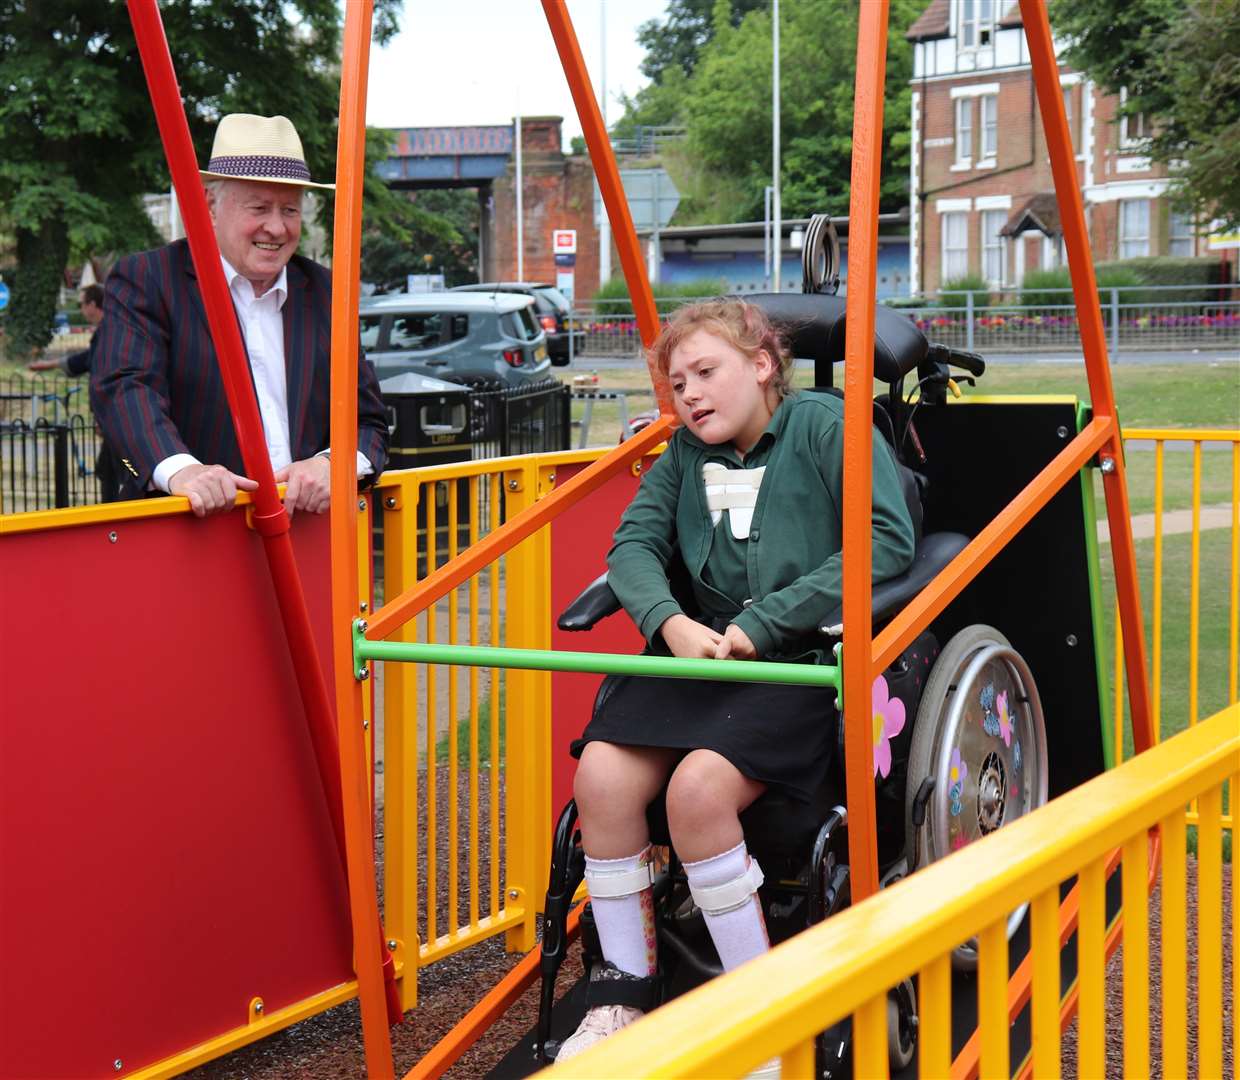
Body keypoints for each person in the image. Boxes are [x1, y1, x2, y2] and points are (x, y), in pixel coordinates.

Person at [556, 299, 917, 1067]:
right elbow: (632, 547)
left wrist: (769, 622)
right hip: (705, 654)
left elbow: (884, 539)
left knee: (696, 793)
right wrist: (668, 622)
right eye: (676, 381)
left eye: (706, 372)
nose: (688, 394)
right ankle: (623, 989)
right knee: (602, 774)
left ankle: (759, 1012)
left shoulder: (827, 427)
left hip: (799, 660)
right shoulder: (685, 454)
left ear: (761, 365)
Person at [90, 113, 387, 516]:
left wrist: (331, 465)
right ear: (210, 204)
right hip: (193, 539)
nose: (277, 228)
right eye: (260, 207)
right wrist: (183, 471)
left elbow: (368, 422)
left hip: (307, 543)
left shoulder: (325, 291)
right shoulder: (150, 279)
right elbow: (124, 389)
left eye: (290, 210)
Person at [28, 284, 105, 375]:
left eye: (81, 304)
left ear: (92, 305)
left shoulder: (109, 330)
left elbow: (88, 358)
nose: (80, 309)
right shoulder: (110, 327)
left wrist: (51, 364)